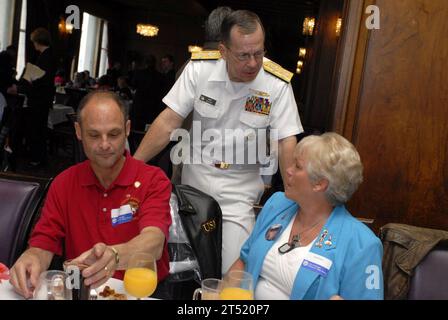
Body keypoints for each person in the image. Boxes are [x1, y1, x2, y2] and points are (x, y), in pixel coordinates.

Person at [134, 10, 303, 273]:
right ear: (223, 50)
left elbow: (286, 141)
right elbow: (168, 121)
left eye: (258, 53)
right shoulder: (200, 69)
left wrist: (295, 191)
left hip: (240, 189)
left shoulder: (276, 84)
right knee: (176, 264)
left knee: (230, 269)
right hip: (193, 182)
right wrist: (133, 166)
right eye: (243, 55)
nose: (253, 63)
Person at [9, 91, 172, 299]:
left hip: (141, 293)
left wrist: (115, 255)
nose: (105, 145)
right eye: (94, 135)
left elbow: (154, 241)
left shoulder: (153, 179)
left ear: (128, 129)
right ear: (78, 131)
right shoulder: (64, 183)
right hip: (83, 291)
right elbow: (44, 242)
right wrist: (32, 257)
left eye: (113, 134)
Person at [228, 133, 384, 300]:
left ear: (320, 184)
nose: (288, 170)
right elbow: (243, 262)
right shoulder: (277, 205)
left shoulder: (363, 244)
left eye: (297, 166)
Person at [9, 28, 56, 168]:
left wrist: (22, 86)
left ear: (38, 41)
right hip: (41, 99)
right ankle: (38, 158)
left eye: (34, 41)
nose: (33, 44)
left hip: (39, 100)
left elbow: (39, 79)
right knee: (38, 130)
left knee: (36, 130)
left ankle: (37, 160)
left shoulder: (45, 57)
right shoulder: (47, 55)